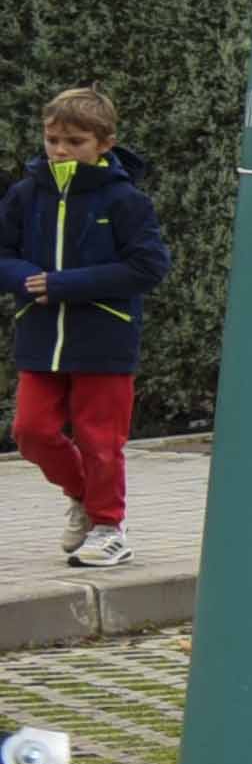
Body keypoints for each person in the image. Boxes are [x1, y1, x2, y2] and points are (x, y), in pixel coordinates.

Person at [10, 86, 167, 567]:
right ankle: (83, 496)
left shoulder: (125, 200)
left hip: (105, 339)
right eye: (52, 139)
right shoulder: (25, 194)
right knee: (30, 432)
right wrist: (26, 280)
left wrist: (64, 285)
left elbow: (147, 267)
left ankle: (109, 528)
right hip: (40, 338)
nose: (60, 150)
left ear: (104, 142)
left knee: (101, 442)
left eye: (74, 141)